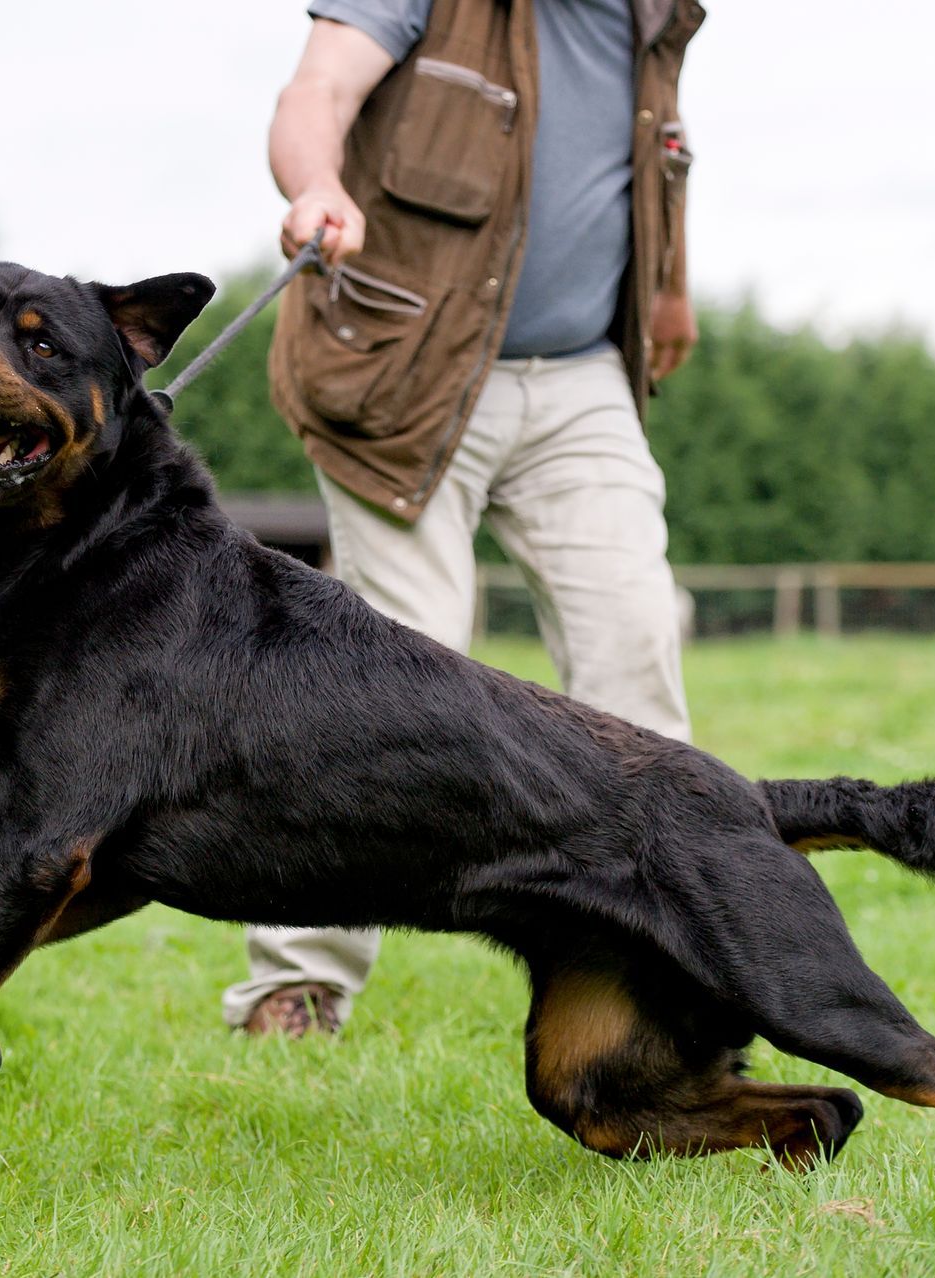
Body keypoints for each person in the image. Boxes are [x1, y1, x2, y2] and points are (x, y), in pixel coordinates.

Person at [224, 0, 707, 1037]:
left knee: (636, 645)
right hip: (406, 370)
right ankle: (298, 982)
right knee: (386, 684)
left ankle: (656, 979)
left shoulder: (658, 14)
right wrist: (315, 181)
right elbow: (318, 91)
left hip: (582, 379)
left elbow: (648, 162)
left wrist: (668, 290)